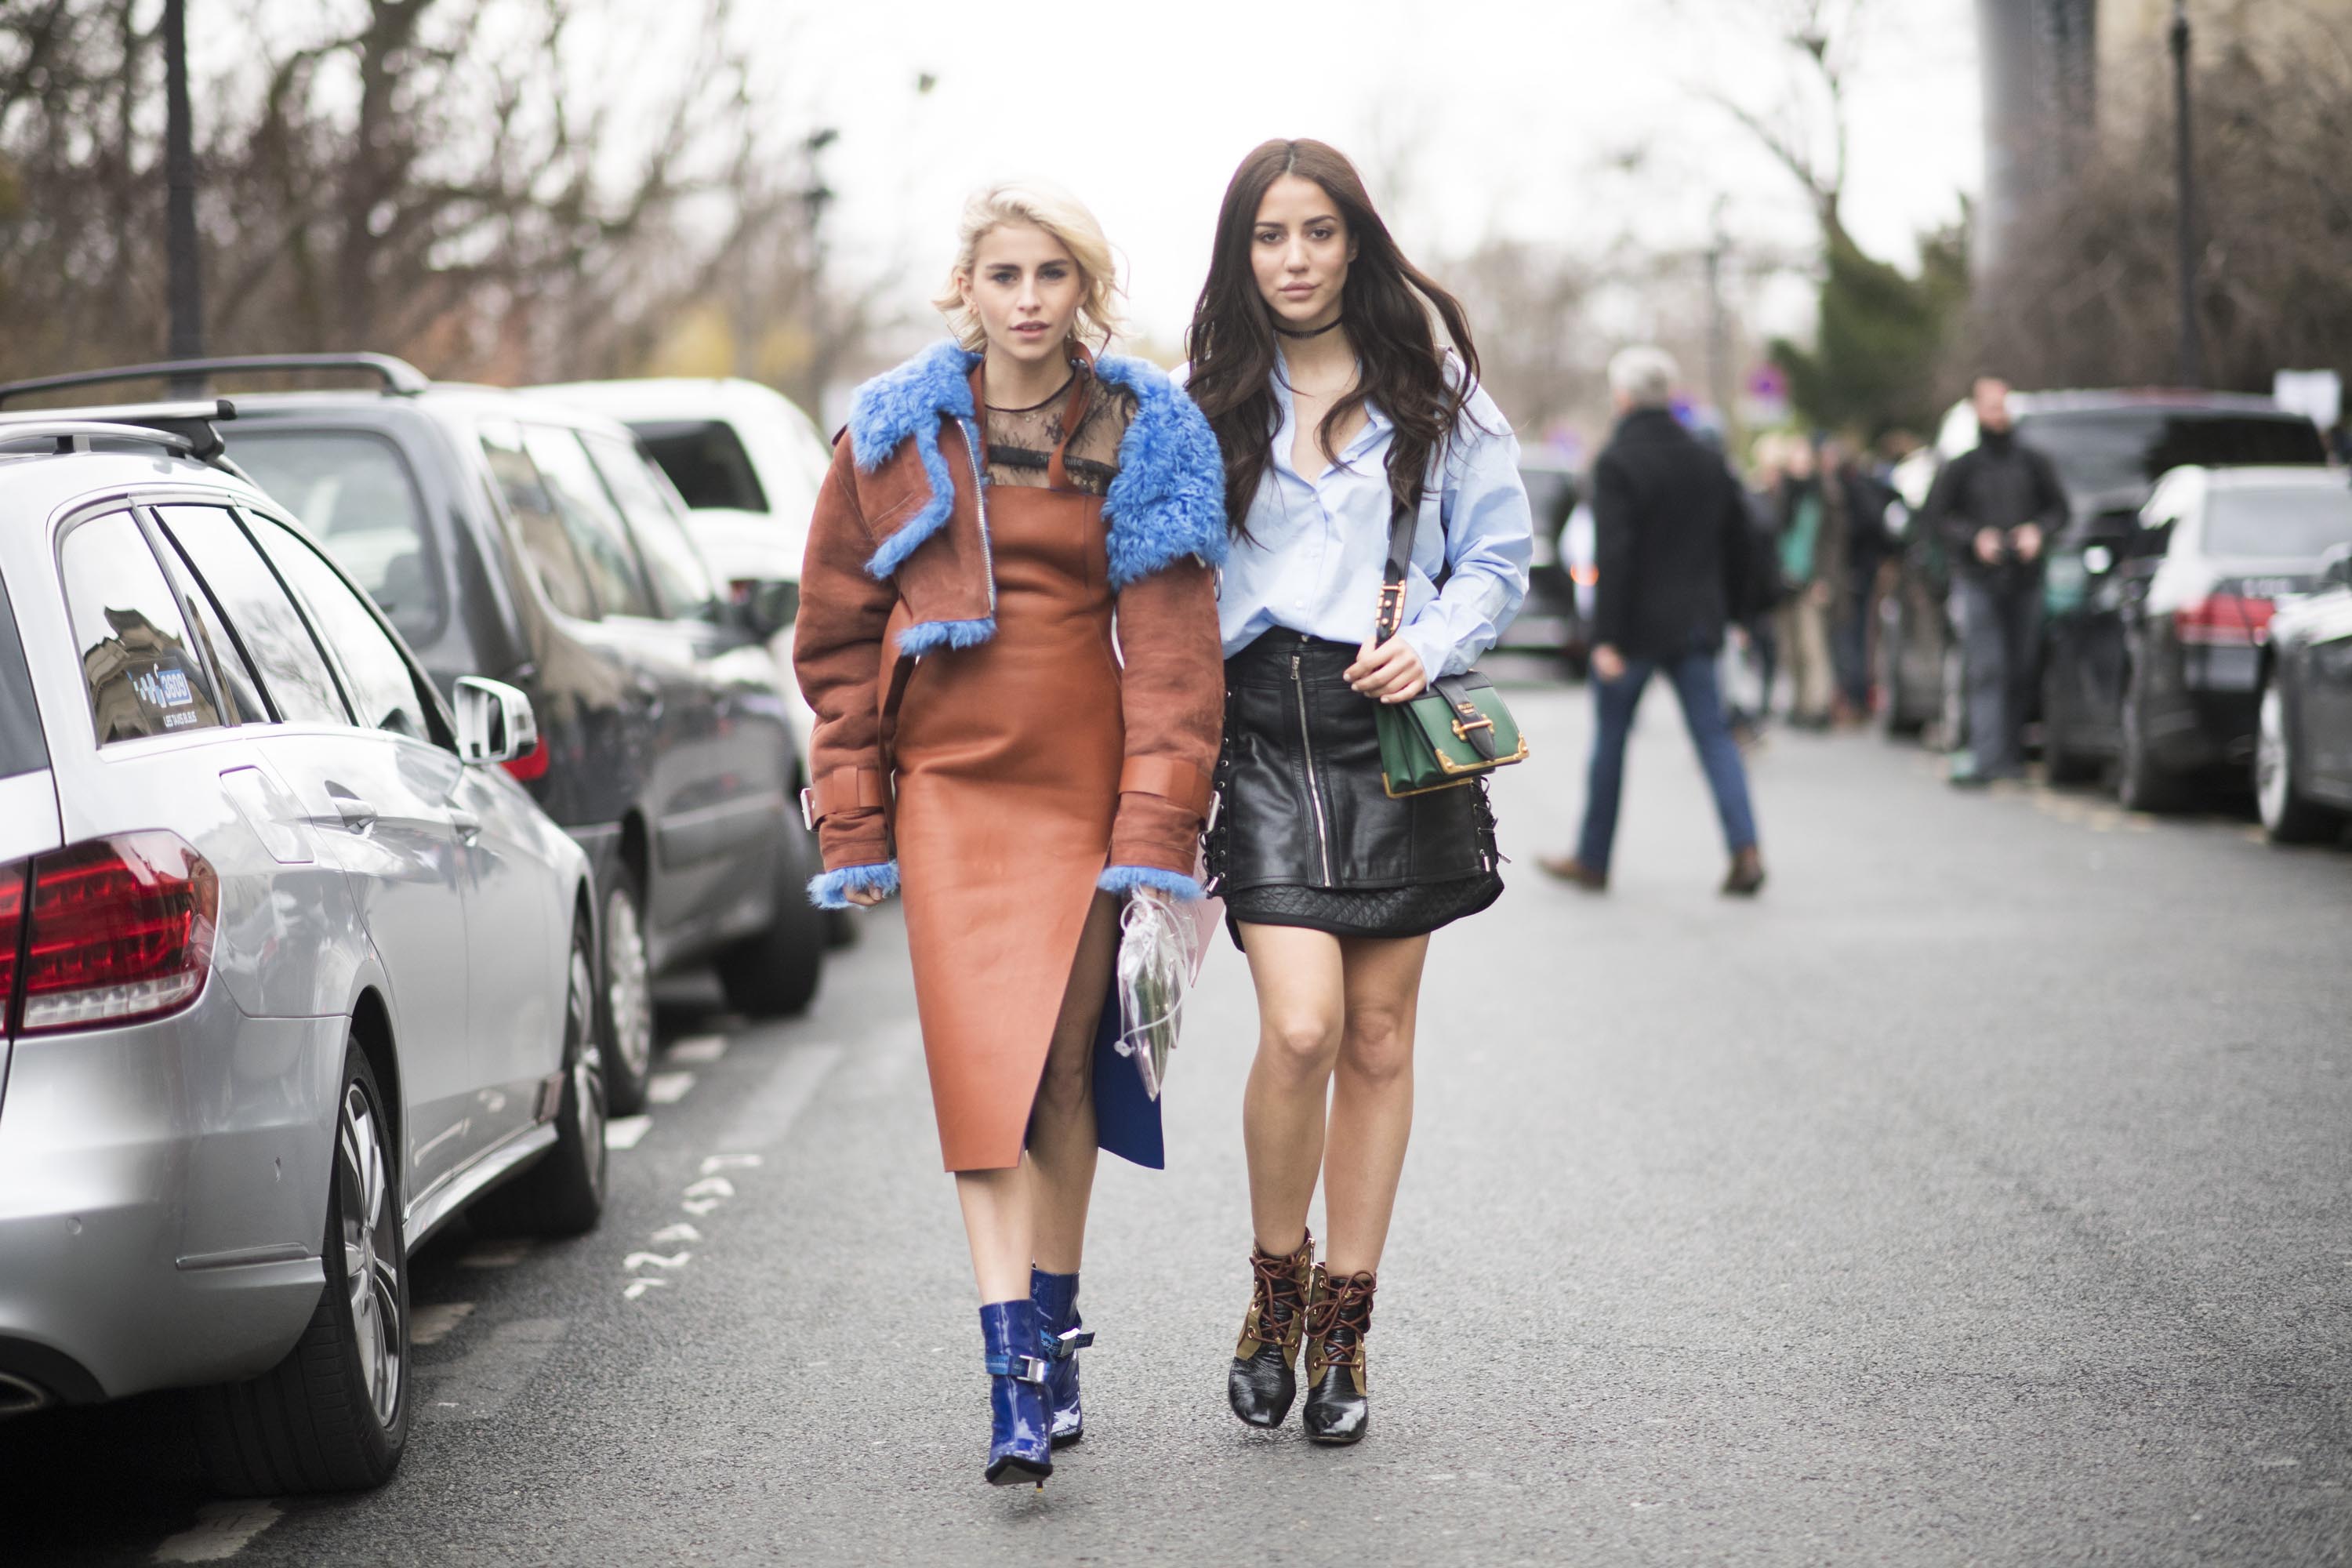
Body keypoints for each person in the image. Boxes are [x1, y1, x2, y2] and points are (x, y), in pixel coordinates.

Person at [793, 180, 1226, 1486]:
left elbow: (1176, 659)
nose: (1029, 300)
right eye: (1005, 276)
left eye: (1053, 275)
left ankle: (1054, 1310)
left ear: (1083, 288)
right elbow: (835, 644)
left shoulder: (1150, 426)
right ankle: (1012, 1374)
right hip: (950, 788)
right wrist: (854, 817)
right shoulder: (890, 434)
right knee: (983, 1075)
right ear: (963, 289)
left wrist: (1158, 821)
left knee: (1060, 1073)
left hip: (1088, 781)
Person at [1182, 138, 1530, 1446]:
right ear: (1244, 252)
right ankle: (1275, 1288)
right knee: (1306, 1027)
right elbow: (1153, 578)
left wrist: (1433, 641)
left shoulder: (1434, 394)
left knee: (1382, 1039)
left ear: (1355, 241)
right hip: (1262, 735)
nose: (1295, 259)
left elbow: (1499, 558)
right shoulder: (1204, 396)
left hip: (1391, 736)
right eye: (1271, 236)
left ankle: (1346, 1332)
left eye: (1318, 232)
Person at [1537, 347, 1764, 895]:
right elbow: (1741, 541)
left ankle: (1593, 859)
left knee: (1611, 742)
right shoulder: (1708, 458)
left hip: (1634, 631)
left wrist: (1606, 637)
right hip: (1696, 627)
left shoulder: (1618, 460)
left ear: (1623, 397)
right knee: (1715, 740)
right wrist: (1735, 613)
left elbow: (1615, 553)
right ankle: (1746, 850)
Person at [1919, 376, 2066, 783]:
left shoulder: (2032, 462)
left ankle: (2010, 757)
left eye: (2002, 406)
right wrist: (1974, 539)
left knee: (2021, 668)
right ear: (1976, 411)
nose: (1996, 414)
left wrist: (2037, 532)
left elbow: (2059, 511)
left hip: (2025, 579)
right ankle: (1986, 758)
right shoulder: (1962, 467)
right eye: (1989, 406)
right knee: (1987, 667)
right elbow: (1937, 519)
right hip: (1978, 579)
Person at [1770, 435, 1840, 729]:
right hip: (1783, 578)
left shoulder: (1824, 493)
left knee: (1813, 644)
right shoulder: (1779, 492)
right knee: (1790, 646)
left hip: (1813, 578)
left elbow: (1833, 542)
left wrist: (1825, 577)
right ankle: (1799, 702)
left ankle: (1818, 704)